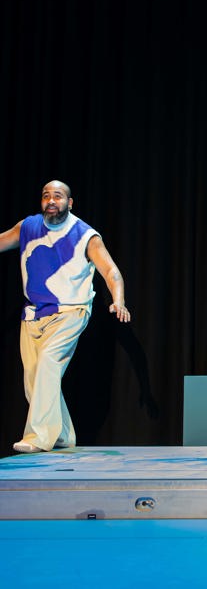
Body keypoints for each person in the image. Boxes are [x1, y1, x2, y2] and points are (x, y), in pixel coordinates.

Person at [0, 180, 131, 453]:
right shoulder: (28, 227)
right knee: (35, 379)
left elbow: (111, 271)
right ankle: (62, 436)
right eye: (46, 196)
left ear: (69, 203)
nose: (51, 200)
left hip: (71, 310)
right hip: (33, 313)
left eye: (57, 196)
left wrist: (118, 300)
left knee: (48, 363)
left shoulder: (85, 235)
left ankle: (38, 437)